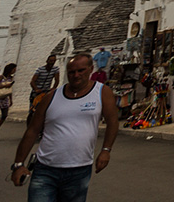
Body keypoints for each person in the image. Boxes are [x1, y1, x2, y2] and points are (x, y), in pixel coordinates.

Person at [10, 53, 118, 201]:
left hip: (79, 169)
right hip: (46, 168)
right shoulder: (51, 97)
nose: (76, 75)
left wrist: (106, 150)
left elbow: (113, 122)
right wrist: (18, 164)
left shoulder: (102, 92)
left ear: (91, 69)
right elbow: (32, 131)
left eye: (81, 70)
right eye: (72, 72)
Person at [0, 63, 17, 142]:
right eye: (13, 69)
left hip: (5, 99)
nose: (14, 70)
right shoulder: (1, 77)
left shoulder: (10, 78)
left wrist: (11, 99)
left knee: (4, 115)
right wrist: (4, 86)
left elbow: (9, 90)